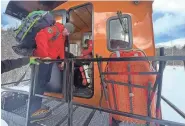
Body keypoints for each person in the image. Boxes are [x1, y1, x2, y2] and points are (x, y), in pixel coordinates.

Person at [29, 22, 75, 122]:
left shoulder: (62, 36)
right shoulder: (55, 29)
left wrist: (62, 60)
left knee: (45, 81)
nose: (68, 34)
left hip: (50, 62)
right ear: (65, 28)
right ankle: (33, 110)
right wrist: (45, 56)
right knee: (39, 84)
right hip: (43, 60)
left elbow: (61, 49)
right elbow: (40, 36)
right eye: (68, 32)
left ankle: (37, 104)